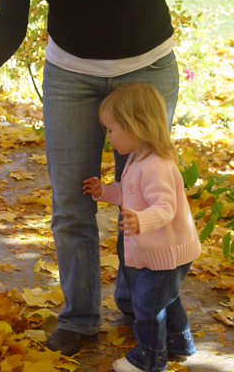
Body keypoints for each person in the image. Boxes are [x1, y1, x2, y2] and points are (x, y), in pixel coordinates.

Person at [0, 0, 180, 357]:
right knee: (71, 203)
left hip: (147, 67)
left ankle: (139, 301)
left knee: (141, 197)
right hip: (70, 75)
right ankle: (79, 316)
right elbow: (11, 19)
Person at [82, 82, 200, 372]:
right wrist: (104, 192)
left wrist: (141, 220)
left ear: (134, 127)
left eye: (111, 129)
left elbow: (165, 207)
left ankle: (148, 359)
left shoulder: (157, 165)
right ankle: (179, 343)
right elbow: (128, 191)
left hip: (165, 254)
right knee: (166, 300)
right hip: (163, 250)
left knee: (147, 308)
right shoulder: (138, 158)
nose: (108, 137)